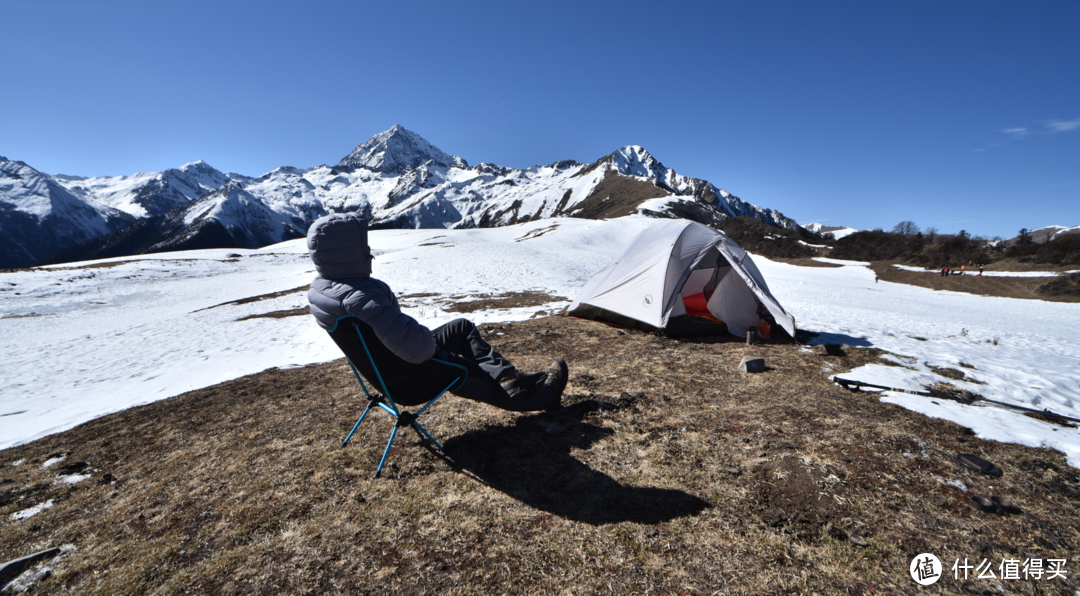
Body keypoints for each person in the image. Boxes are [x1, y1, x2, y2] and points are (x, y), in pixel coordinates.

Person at [306, 212, 567, 412]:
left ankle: (507, 376)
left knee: (461, 328)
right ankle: (543, 397)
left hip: (388, 369)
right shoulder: (361, 298)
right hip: (409, 377)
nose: (368, 252)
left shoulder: (323, 291)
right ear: (348, 252)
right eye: (363, 246)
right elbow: (419, 349)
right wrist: (422, 335)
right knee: (466, 370)